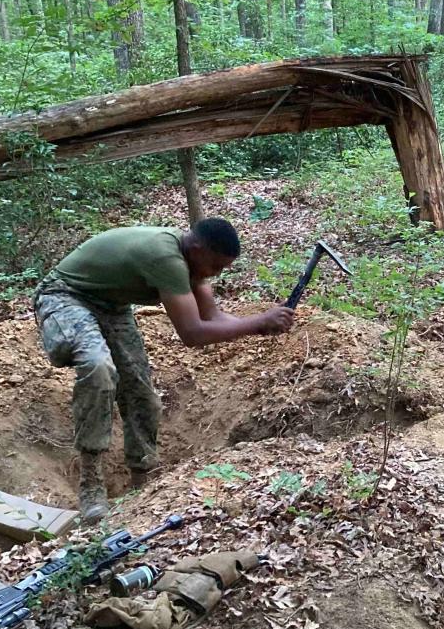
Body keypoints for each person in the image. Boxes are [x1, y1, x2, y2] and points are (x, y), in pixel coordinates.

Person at [33, 219, 294, 522]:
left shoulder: (191, 260)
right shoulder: (166, 258)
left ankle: (142, 482)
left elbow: (213, 317)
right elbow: (193, 333)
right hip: (65, 295)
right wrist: (259, 321)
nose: (216, 275)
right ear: (197, 249)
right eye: (215, 267)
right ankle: (91, 485)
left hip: (110, 304)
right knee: (98, 366)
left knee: (140, 389)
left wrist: (260, 326)